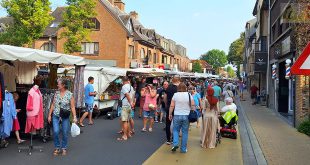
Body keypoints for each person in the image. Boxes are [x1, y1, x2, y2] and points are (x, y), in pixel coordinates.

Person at [48, 79, 77, 156]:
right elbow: (53, 105)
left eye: (58, 84)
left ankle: (64, 147)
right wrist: (49, 115)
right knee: (56, 131)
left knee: (65, 132)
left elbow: (73, 107)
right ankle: (57, 147)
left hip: (65, 117)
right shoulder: (56, 93)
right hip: (56, 116)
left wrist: (74, 117)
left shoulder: (70, 94)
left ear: (63, 85)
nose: (57, 85)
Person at [169, 83, 194, 153]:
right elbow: (193, 105)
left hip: (177, 115)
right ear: (185, 88)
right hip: (186, 115)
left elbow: (172, 106)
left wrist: (170, 114)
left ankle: (175, 144)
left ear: (178, 88)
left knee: (175, 130)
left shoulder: (175, 95)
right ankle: (183, 149)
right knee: (185, 132)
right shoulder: (189, 95)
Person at [164, 77, 180, 145]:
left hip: (169, 107)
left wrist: (166, 104)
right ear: (178, 81)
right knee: (176, 123)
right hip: (176, 108)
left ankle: (168, 139)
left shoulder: (168, 87)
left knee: (168, 123)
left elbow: (165, 97)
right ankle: (174, 138)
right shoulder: (179, 89)